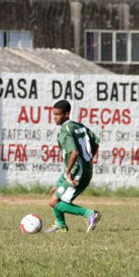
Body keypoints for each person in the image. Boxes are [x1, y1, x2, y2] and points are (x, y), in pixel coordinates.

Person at [45, 100, 102, 234]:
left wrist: (68, 170)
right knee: (54, 193)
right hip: (81, 168)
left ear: (67, 114)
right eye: (54, 114)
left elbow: (74, 152)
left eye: (58, 114)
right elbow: (96, 143)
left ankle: (90, 214)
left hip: (77, 171)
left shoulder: (66, 130)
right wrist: (88, 159)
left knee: (53, 202)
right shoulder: (79, 126)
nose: (55, 118)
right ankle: (61, 225)